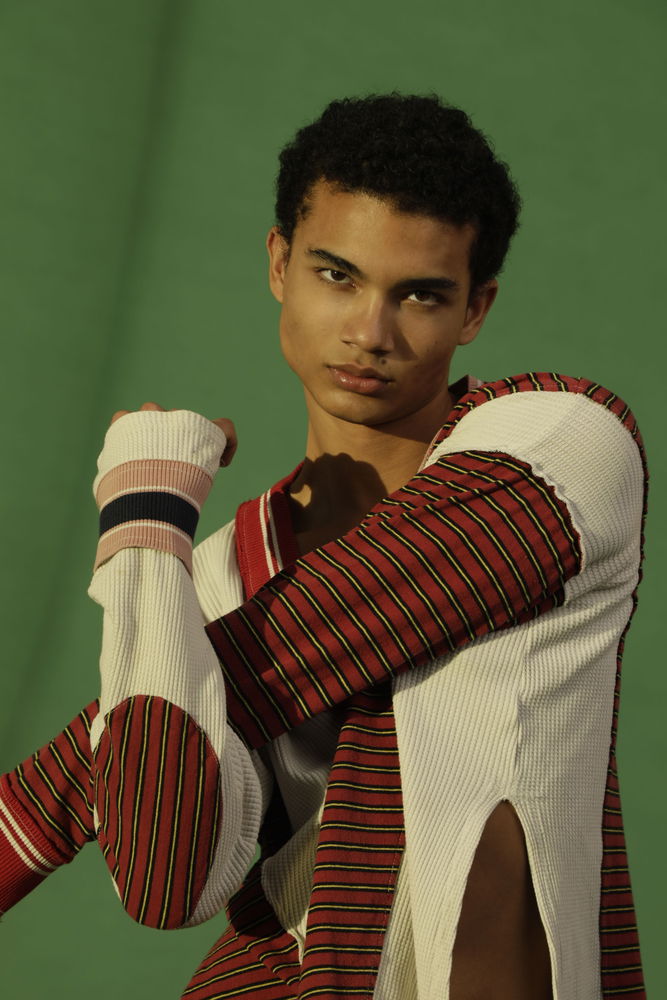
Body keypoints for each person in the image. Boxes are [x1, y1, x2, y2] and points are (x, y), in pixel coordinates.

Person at [0, 94, 647, 1000]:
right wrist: (148, 524)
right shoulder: (218, 575)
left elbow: (363, 605)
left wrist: (143, 712)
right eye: (336, 275)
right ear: (278, 263)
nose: (369, 333)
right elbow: (160, 876)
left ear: (475, 309)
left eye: (419, 294)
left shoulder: (561, 445)